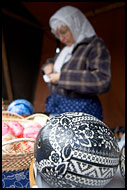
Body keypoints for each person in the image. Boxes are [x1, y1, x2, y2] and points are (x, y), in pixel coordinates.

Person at [41, 5, 111, 121]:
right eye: (58, 34)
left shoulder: (94, 45)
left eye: (63, 32)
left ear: (76, 26)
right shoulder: (66, 49)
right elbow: (55, 62)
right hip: (56, 107)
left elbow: (102, 80)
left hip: (81, 111)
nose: (61, 39)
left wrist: (62, 78)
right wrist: (48, 66)